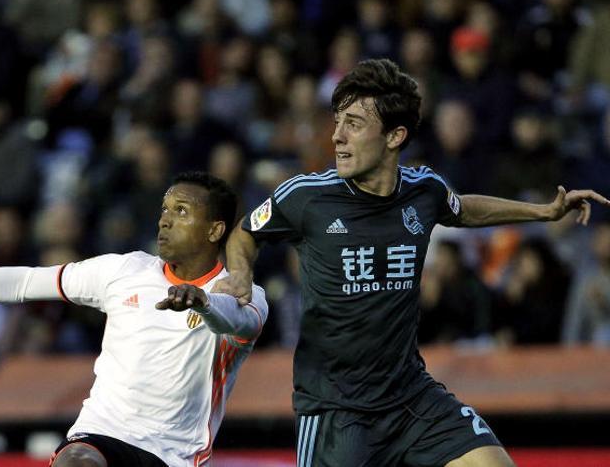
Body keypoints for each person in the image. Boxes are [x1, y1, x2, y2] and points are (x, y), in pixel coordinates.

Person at [214, 59, 610, 467]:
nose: (337, 136)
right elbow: (245, 232)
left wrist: (544, 212)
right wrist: (241, 273)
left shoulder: (424, 190)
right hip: (337, 411)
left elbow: (463, 209)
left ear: (394, 135)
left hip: (411, 398)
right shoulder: (306, 196)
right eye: (337, 122)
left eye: (353, 123)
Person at [0, 171, 268, 467]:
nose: (164, 219)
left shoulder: (242, 295)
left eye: (181, 211)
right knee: (77, 460)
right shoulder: (124, 271)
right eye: (164, 208)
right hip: (103, 435)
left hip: (175, 456)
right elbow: (24, 282)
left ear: (215, 230)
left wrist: (202, 303)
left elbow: (238, 322)